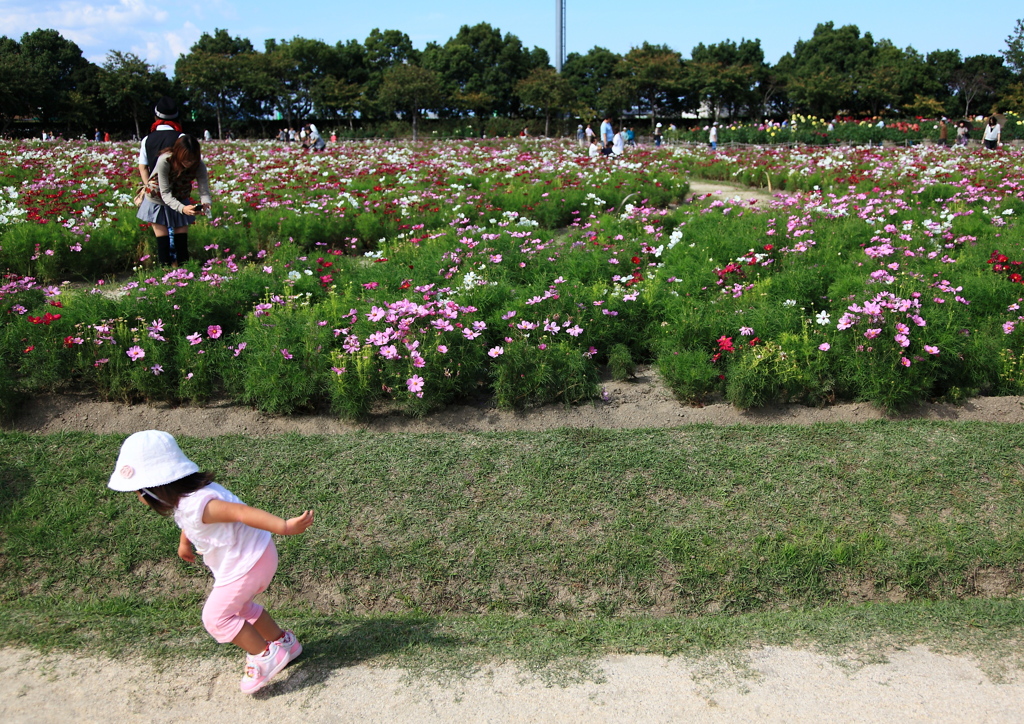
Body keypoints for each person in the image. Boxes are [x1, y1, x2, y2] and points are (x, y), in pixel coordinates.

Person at [108, 431, 314, 694]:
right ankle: (284, 643)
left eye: (140, 491)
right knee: (240, 608)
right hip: (254, 555)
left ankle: (265, 656)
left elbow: (241, 513)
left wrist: (284, 526)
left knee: (216, 617)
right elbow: (190, 524)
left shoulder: (202, 505)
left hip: (250, 561)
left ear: (156, 488)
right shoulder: (190, 499)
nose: (139, 497)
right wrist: (185, 542)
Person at [137, 133, 211, 266]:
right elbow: (165, 193)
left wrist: (206, 204)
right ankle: (165, 273)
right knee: (163, 240)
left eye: (192, 159)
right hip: (157, 197)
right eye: (186, 159)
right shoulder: (165, 160)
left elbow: (204, 189)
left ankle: (184, 273)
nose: (189, 163)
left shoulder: (198, 165)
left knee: (181, 240)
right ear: (177, 154)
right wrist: (182, 208)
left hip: (180, 195)